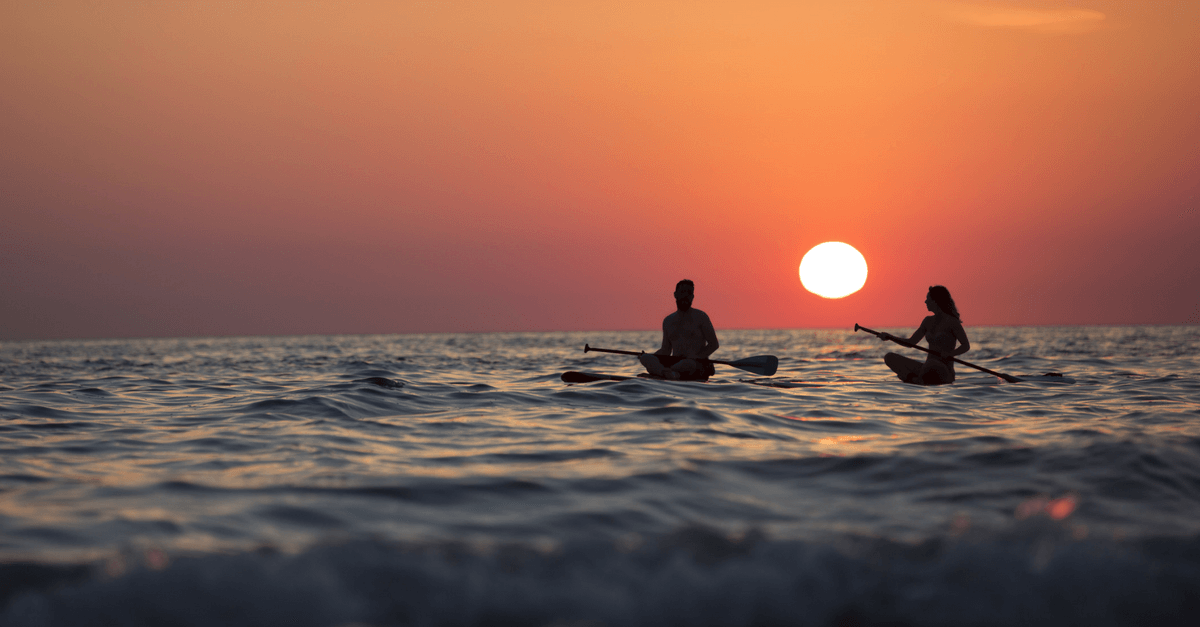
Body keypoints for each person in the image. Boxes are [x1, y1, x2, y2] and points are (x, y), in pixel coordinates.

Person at [878, 285, 970, 385]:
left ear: (936, 301)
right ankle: (914, 378)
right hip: (926, 368)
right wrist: (890, 337)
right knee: (889, 357)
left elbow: (966, 346)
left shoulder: (952, 322)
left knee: (932, 363)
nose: (925, 302)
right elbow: (911, 343)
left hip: (944, 371)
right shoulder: (927, 321)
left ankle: (912, 379)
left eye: (928, 299)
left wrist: (950, 354)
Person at [639, 279, 720, 381]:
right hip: (674, 362)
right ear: (675, 295)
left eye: (689, 293)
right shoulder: (668, 321)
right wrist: (650, 356)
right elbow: (666, 350)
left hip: (694, 364)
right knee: (646, 358)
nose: (685, 296)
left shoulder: (701, 317)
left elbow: (714, 344)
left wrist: (697, 356)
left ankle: (665, 373)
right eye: (682, 292)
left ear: (692, 297)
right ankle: (668, 373)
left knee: (687, 364)